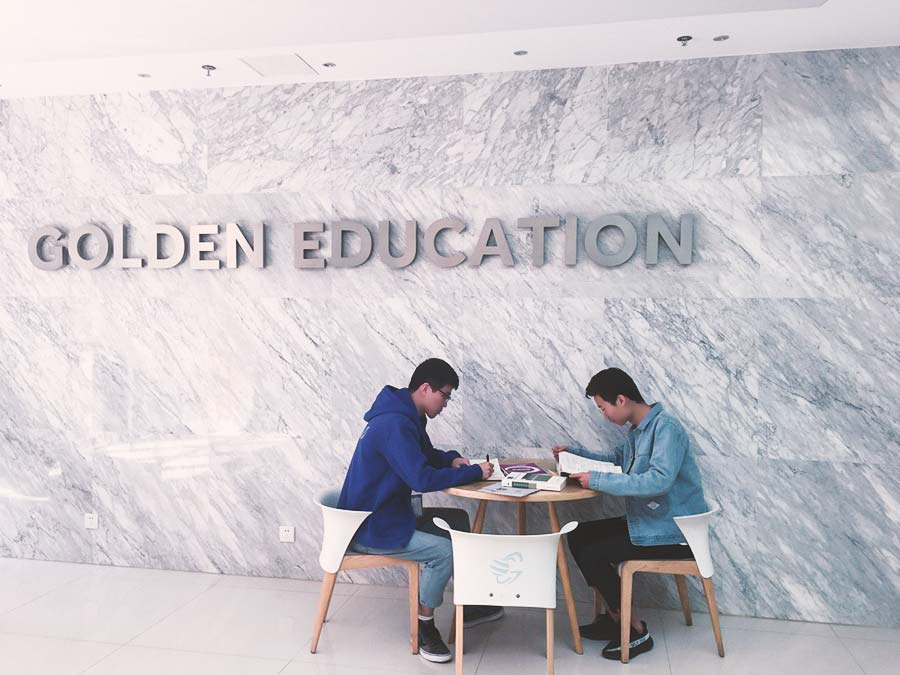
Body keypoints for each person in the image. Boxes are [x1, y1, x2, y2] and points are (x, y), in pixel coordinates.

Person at [338, 358, 504, 663]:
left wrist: (451, 460)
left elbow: (425, 456)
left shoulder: (408, 415)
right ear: (426, 388)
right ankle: (425, 625)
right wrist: (473, 472)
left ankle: (468, 602)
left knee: (458, 520)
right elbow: (421, 479)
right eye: (445, 395)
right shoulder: (395, 424)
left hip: (389, 513)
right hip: (371, 527)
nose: (446, 403)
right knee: (444, 551)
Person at [552, 367, 707, 661]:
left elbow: (659, 481)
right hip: (651, 524)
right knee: (578, 534)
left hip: (672, 533)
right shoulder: (639, 432)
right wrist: (573, 455)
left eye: (603, 408)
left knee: (593, 550)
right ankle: (615, 619)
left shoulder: (666, 429)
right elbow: (615, 461)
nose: (604, 415)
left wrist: (597, 480)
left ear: (621, 400)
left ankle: (634, 630)